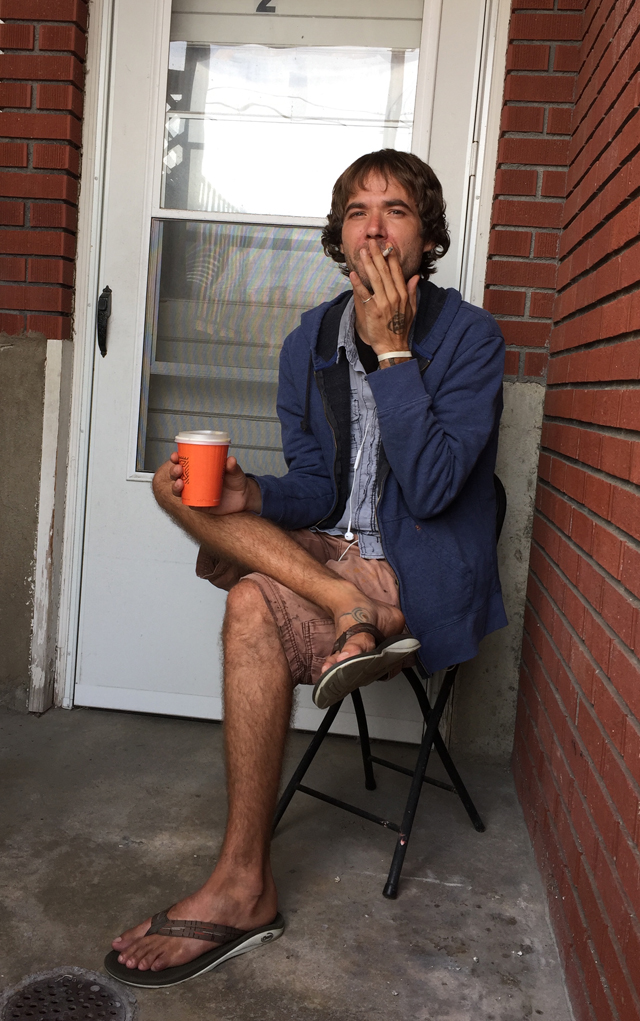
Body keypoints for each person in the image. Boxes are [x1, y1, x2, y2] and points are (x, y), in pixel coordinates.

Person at [105, 149, 507, 987]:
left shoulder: (470, 339)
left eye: (395, 208)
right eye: (357, 210)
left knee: (250, 594)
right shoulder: (309, 342)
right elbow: (319, 489)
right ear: (339, 235)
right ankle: (246, 878)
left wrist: (395, 352)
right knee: (185, 497)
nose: (373, 224)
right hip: (339, 566)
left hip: (415, 574)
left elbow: (433, 489)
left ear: (425, 235)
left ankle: (243, 883)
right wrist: (254, 491)